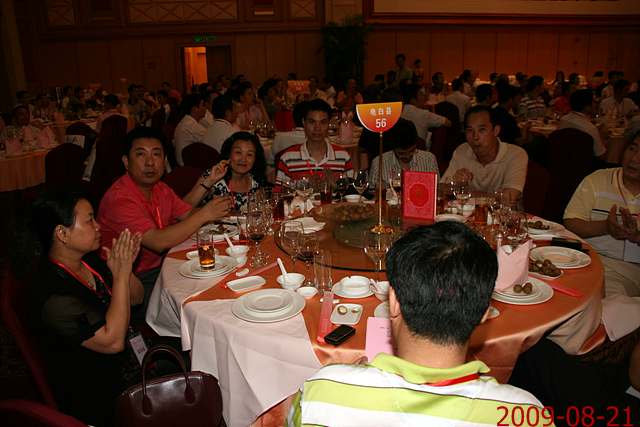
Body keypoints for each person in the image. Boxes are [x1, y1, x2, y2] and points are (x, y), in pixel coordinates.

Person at [288, 222, 545, 426]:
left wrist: (346, 380)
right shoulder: (524, 414)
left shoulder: (320, 394)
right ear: (484, 313)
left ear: (393, 301)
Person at [30, 191, 144, 426]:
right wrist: (120, 276)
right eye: (90, 220)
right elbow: (113, 342)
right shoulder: (54, 296)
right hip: (98, 392)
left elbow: (136, 298)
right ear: (62, 233)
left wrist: (126, 270)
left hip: (128, 365)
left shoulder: (87, 261)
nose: (98, 226)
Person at [98, 127, 233, 313]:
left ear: (164, 160)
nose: (150, 162)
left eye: (156, 154)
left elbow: (186, 213)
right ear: (126, 162)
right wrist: (205, 214)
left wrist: (213, 202)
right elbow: (158, 242)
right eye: (141, 154)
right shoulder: (120, 200)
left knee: (222, 277)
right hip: (134, 280)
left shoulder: (159, 188)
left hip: (164, 266)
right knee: (206, 300)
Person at [564, 131, 640, 342]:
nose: (635, 158)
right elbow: (571, 223)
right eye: (632, 148)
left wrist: (636, 236)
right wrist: (606, 226)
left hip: (626, 270)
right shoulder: (598, 179)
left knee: (602, 308)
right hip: (586, 260)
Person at [441, 105, 528, 206]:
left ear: (496, 131)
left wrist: (465, 193)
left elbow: (509, 198)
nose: (475, 137)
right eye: (470, 130)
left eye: (482, 130)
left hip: (503, 215)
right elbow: (441, 189)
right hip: (467, 214)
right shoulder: (462, 151)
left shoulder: (515, 154)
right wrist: (455, 184)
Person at [275, 99, 353, 188]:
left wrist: (335, 185)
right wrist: (305, 185)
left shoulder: (343, 157)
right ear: (304, 123)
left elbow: (352, 193)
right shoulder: (288, 158)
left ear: (329, 124)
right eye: (312, 122)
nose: (317, 128)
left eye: (323, 122)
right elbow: (279, 194)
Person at [201, 131, 267, 211]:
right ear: (228, 154)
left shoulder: (256, 180)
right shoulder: (213, 175)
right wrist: (209, 182)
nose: (243, 159)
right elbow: (187, 207)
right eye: (238, 152)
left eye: (249, 154)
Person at [369, 118, 439, 189]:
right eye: (401, 153)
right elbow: (371, 193)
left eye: (412, 151)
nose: (407, 156)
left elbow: (437, 190)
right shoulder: (378, 163)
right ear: (394, 149)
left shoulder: (429, 160)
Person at [557, 89, 607, 158]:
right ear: (587, 107)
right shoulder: (590, 128)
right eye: (593, 101)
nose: (596, 104)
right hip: (584, 163)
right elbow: (600, 154)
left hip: (562, 159)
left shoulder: (563, 119)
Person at [400, 83, 450, 149]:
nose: (424, 96)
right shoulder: (423, 114)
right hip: (417, 151)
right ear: (413, 99)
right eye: (421, 94)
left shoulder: (396, 111)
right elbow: (448, 122)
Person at [173, 93, 207, 166]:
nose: (205, 108)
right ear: (195, 109)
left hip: (182, 165)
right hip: (189, 167)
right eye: (203, 105)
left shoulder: (185, 121)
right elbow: (211, 143)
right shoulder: (192, 126)